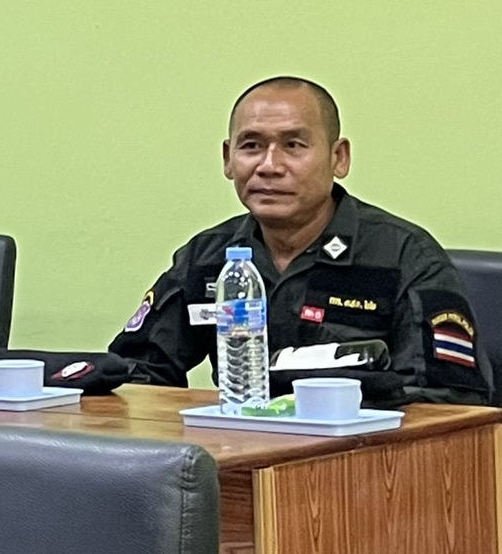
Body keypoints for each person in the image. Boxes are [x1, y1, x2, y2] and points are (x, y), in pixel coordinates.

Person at [108, 77, 488, 406]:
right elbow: (135, 373)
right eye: (251, 146)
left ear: (339, 158)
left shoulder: (404, 256)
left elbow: (448, 401)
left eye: (293, 145)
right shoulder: (207, 257)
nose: (269, 166)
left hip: (359, 456)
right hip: (240, 450)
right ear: (228, 159)